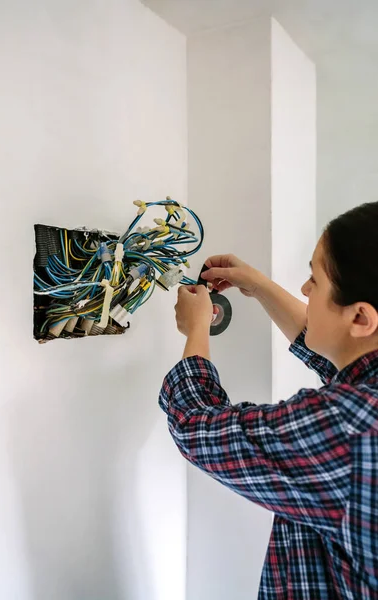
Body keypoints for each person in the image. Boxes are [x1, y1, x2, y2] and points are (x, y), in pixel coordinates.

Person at [158, 202, 378, 600]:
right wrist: (256, 285)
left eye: (315, 280)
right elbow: (338, 353)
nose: (305, 290)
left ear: (360, 318)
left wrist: (196, 330)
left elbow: (194, 426)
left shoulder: (349, 428)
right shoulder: (366, 393)